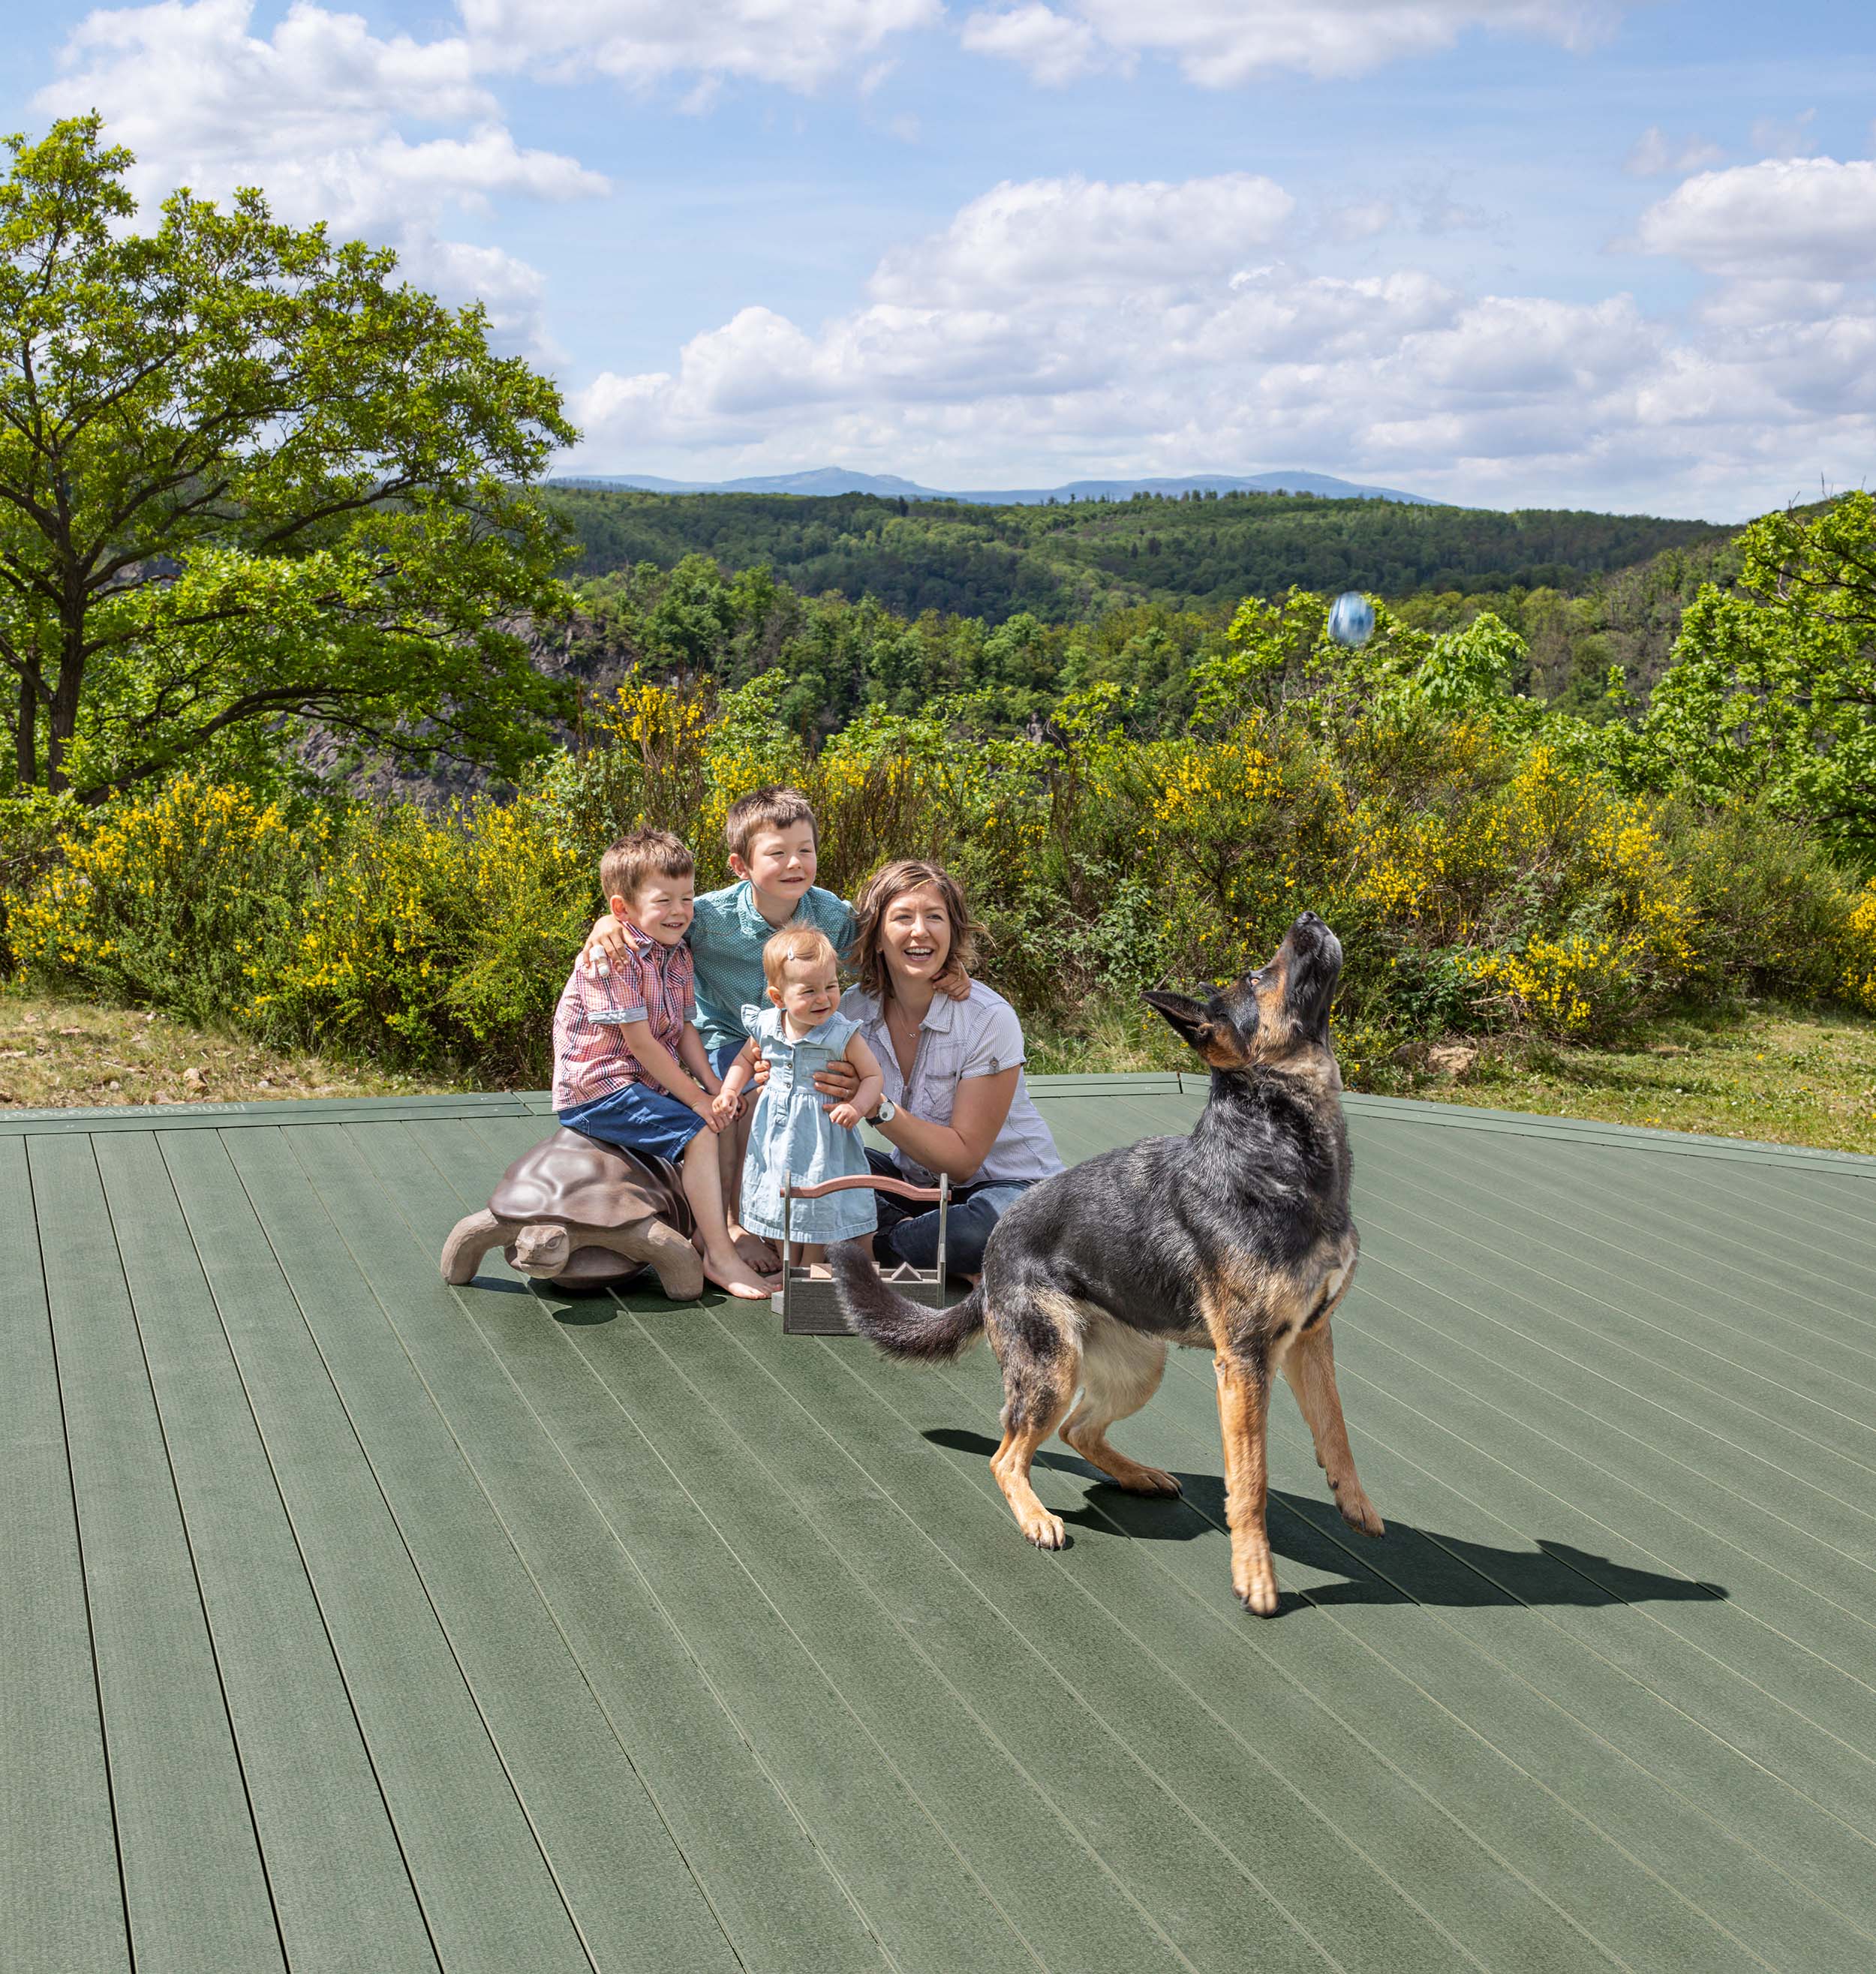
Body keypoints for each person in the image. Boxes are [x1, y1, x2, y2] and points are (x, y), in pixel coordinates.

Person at [583, 785, 966, 1269]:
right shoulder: (709, 917)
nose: (794, 864)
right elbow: (653, 916)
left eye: (805, 850)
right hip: (728, 1036)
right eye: (778, 853)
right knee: (740, 1102)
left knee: (814, 1115)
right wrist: (604, 924)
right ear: (741, 866)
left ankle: (806, 1221)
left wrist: (942, 965)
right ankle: (734, 1223)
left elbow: (884, 939)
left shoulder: (829, 912)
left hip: (804, 1039)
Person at [786, 858, 1064, 1280]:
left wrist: (877, 1108)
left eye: (934, 917)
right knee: (816, 1167)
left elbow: (964, 1162)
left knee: (1004, 1224)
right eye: (903, 917)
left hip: (1009, 1189)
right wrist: (770, 1070)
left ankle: (874, 1244)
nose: (920, 930)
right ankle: (931, 1252)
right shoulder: (852, 1012)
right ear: (878, 938)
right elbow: (791, 1028)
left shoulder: (988, 1018)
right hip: (918, 1187)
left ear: (951, 932)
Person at [552, 828, 771, 1299]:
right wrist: (696, 1099)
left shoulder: (675, 953)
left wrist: (713, 1085)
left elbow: (685, 1029)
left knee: (717, 1114)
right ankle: (718, 1253)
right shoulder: (612, 959)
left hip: (641, 1083)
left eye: (687, 899)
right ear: (622, 909)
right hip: (600, 1088)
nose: (679, 912)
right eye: (664, 901)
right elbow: (644, 1044)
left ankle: (706, 1232)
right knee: (699, 1131)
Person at [714, 927, 884, 1269]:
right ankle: (788, 1264)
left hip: (823, 1132)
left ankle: (811, 1268)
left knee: (819, 1198)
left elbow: (872, 1076)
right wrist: (730, 1090)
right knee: (776, 1193)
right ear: (779, 998)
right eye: (809, 991)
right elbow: (746, 1060)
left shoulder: (841, 1033)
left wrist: (857, 1106)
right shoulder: (767, 1026)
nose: (824, 999)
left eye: (831, 987)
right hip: (776, 1133)